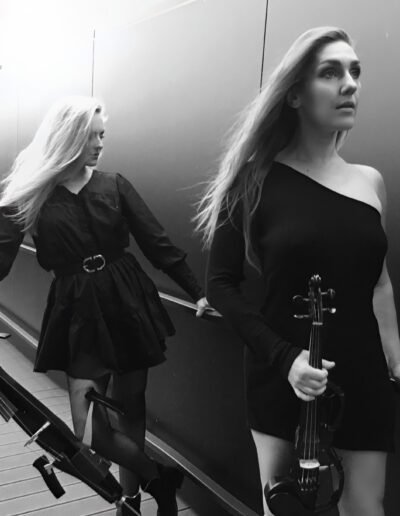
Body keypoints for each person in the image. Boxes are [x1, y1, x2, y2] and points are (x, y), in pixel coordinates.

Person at [196, 27, 400, 516]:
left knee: (365, 507)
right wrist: (286, 360)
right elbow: (220, 284)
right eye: (330, 73)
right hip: (282, 369)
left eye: (354, 72)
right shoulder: (251, 181)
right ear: (293, 95)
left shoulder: (370, 182)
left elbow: (378, 281)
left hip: (362, 373)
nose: (349, 84)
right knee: (285, 507)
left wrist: (395, 360)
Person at [0, 95, 209, 516]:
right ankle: (159, 477)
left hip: (126, 298)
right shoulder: (30, 193)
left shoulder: (114, 184)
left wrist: (196, 291)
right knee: (88, 428)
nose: (100, 144)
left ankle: (130, 501)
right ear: (67, 137)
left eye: (102, 135)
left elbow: (156, 242)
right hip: (77, 307)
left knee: (132, 406)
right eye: (91, 136)